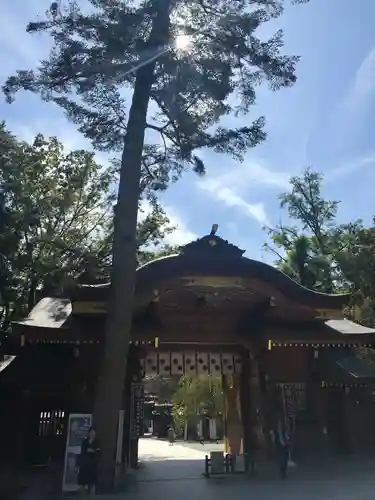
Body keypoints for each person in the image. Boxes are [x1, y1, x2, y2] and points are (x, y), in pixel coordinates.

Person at [77, 427, 101, 496]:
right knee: (82, 484)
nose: (92, 434)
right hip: (85, 466)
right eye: (91, 432)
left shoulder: (97, 442)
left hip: (93, 466)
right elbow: (83, 452)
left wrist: (93, 451)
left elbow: (99, 453)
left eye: (94, 432)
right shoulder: (85, 442)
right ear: (88, 433)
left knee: (92, 485)